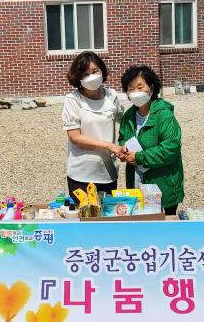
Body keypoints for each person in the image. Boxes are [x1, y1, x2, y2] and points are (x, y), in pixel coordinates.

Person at [117, 65, 184, 215]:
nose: (135, 92)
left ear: (152, 88)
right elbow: (122, 138)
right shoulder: (128, 116)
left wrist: (139, 157)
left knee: (163, 232)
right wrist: (123, 150)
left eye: (140, 87)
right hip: (136, 183)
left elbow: (171, 147)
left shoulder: (164, 115)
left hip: (163, 186)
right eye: (131, 88)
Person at [62, 51, 125, 197]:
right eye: (85, 74)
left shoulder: (112, 96)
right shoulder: (73, 100)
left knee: (107, 216)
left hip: (108, 171)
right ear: (78, 78)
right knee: (86, 217)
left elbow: (125, 122)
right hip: (81, 174)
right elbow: (75, 137)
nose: (91, 77)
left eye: (95, 71)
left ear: (102, 71)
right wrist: (109, 145)